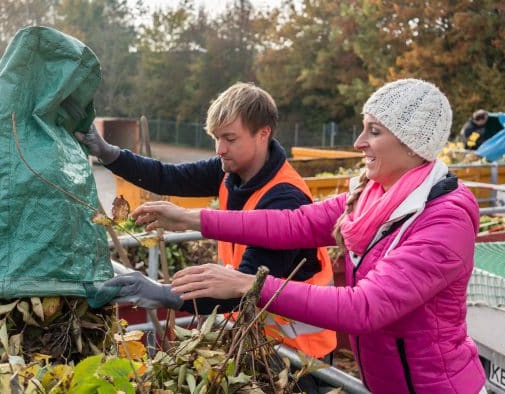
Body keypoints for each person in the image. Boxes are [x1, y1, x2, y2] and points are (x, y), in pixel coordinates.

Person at [132, 79, 487, 394]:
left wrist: (247, 285)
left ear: (412, 145)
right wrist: (190, 218)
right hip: (386, 382)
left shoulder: (443, 218)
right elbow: (293, 223)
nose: (359, 142)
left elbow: (365, 307)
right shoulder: (373, 194)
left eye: (374, 132)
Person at [78, 83, 337, 383]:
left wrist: (162, 294)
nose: (219, 149)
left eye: (229, 138)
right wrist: (109, 154)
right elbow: (168, 177)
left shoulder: (285, 199)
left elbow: (244, 290)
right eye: (216, 138)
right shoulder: (230, 170)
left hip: (297, 355)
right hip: (253, 340)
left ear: (263, 134)